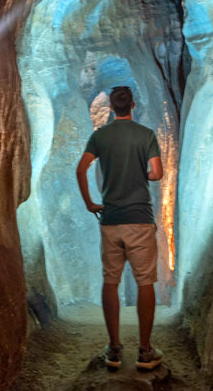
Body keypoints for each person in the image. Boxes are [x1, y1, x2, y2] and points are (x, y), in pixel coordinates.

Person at [76, 85, 164, 371]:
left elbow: (81, 168)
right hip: (139, 218)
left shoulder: (100, 136)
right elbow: (157, 173)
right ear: (133, 106)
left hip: (111, 219)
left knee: (110, 281)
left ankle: (114, 350)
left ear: (111, 108)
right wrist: (144, 173)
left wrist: (90, 202)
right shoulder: (146, 135)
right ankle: (145, 351)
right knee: (145, 282)